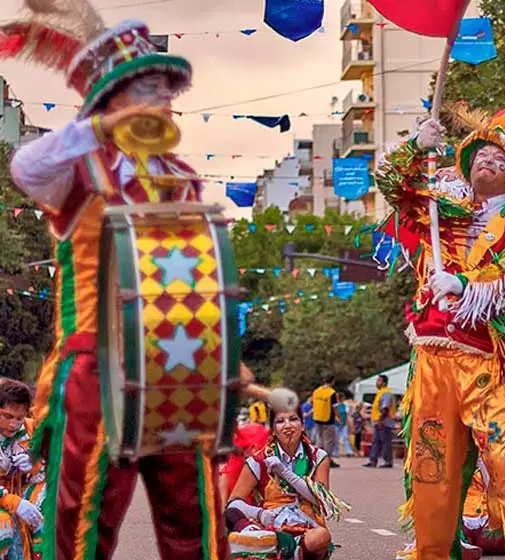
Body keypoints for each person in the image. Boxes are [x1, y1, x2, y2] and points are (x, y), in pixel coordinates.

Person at [3, 7, 234, 556]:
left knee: (194, 518)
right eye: (149, 90)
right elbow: (24, 167)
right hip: (97, 364)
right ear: (112, 102)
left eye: (167, 92)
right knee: (84, 518)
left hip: (179, 367)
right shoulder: (76, 169)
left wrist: (222, 361)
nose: (164, 103)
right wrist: (98, 129)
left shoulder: (184, 180)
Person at [376, 105, 505, 559]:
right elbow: (391, 183)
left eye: (500, 160)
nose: (489, 161)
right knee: (431, 465)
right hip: (432, 357)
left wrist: (464, 284)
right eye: (482, 154)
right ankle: (434, 553)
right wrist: (415, 146)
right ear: (467, 161)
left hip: (487, 361)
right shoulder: (438, 207)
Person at [226, 400, 349, 560]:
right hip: (270, 525)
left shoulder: (318, 457)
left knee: (321, 537)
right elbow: (233, 503)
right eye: (280, 421)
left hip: (308, 528)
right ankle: (275, 544)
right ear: (273, 429)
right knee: (228, 516)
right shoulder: (259, 460)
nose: (288, 426)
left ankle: (284, 547)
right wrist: (261, 514)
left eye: (293, 419)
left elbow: (320, 500)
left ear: (302, 425)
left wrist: (285, 473)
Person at [0, 379, 45, 558]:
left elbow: (53, 467)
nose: (14, 424)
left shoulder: (31, 429)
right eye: (7, 416)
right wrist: (13, 502)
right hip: (5, 501)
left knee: (47, 499)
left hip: (19, 494)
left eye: (19, 418)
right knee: (3, 525)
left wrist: (34, 463)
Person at [364, 375, 395, 469]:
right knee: (375, 442)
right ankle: (373, 461)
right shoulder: (380, 392)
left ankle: (388, 461)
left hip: (384, 422)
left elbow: (385, 408)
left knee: (385, 442)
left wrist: (381, 421)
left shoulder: (386, 393)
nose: (377, 382)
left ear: (384, 383)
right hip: (378, 422)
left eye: (379, 381)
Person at [311, 377, 340, 469]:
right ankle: (327, 460)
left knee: (320, 440)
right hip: (328, 419)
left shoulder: (316, 391)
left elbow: (312, 402)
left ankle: (317, 459)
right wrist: (338, 417)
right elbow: (335, 407)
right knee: (329, 441)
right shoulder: (331, 392)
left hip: (317, 418)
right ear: (333, 381)